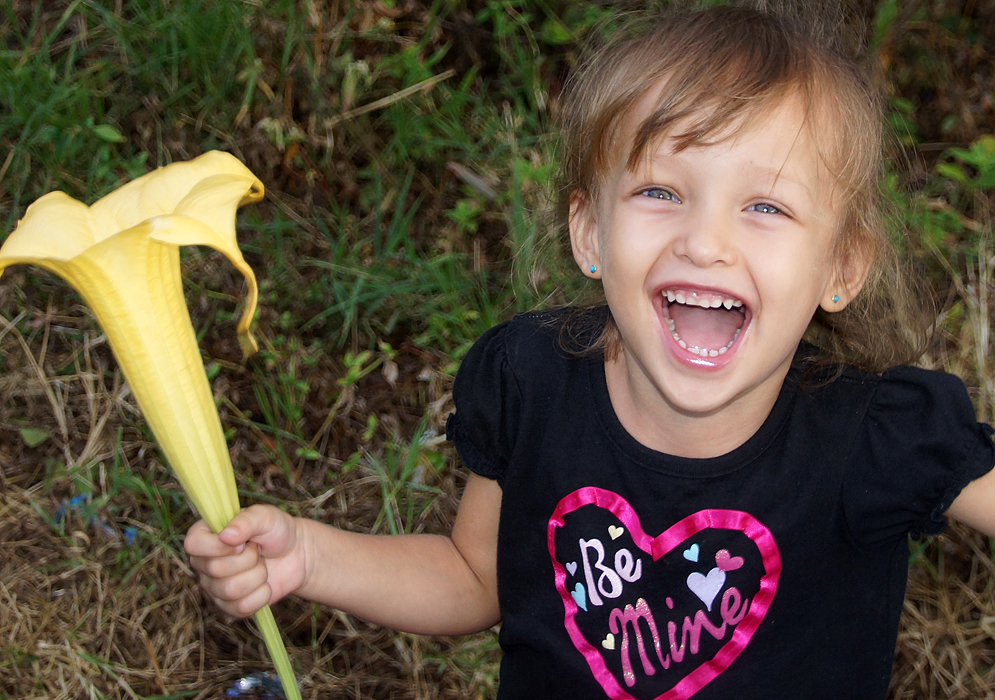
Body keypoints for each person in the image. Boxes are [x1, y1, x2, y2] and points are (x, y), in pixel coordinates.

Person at [184, 6, 995, 698]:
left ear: (840, 268)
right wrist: (309, 556)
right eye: (659, 191)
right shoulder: (530, 383)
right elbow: (473, 579)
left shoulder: (876, 436)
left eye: (764, 206)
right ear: (589, 233)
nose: (705, 241)